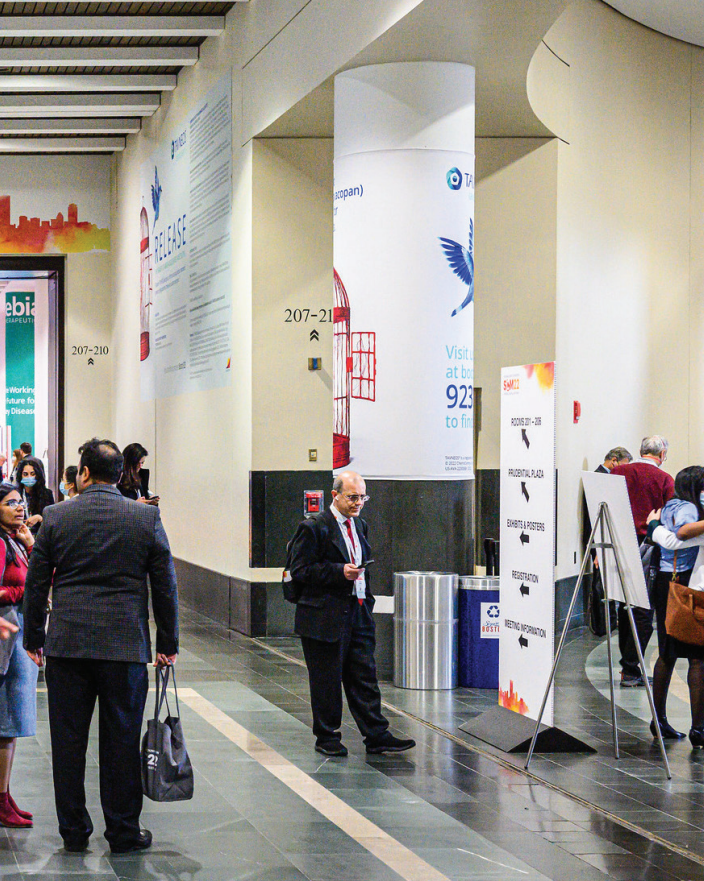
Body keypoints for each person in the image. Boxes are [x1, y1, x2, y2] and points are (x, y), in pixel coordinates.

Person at [23, 438, 179, 854]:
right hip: (124, 647)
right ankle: (123, 831)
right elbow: (165, 585)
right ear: (120, 473)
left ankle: (73, 831)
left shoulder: (56, 516)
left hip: (68, 646)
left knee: (68, 743)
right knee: (122, 740)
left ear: (85, 473)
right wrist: (167, 642)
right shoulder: (145, 517)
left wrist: (34, 637)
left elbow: (37, 583)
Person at [288, 470, 415, 757]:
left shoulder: (360, 526)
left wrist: (366, 603)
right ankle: (327, 737)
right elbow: (300, 570)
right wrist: (338, 571)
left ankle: (377, 735)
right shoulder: (314, 528)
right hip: (323, 616)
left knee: (364, 675)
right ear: (335, 495)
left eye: (362, 498)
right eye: (352, 497)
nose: (358, 503)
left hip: (357, 612)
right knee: (326, 679)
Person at [644, 467, 704, 741]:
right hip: (683, 584)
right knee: (697, 656)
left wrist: (654, 526)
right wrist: (656, 529)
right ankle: (698, 728)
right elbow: (676, 538)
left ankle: (658, 720)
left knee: (666, 653)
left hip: (665, 582)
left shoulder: (670, 505)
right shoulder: (690, 510)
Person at [611, 436, 674, 686]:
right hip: (649, 546)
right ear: (662, 454)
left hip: (618, 543)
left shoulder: (619, 473)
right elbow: (668, 516)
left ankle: (627, 667)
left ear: (640, 450)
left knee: (624, 605)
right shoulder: (664, 479)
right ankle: (630, 668)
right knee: (644, 609)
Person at [0, 483, 37, 828]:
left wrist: (31, 544)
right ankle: (1, 800)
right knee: (6, 723)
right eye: (10, 503)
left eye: (20, 502)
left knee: (10, 722)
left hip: (18, 634)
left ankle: (5, 793)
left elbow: (44, 576)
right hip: (6, 638)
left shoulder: (15, 540)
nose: (19, 507)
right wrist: (21, 591)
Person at [585, 447, 632, 636]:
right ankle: (602, 624)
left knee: (607, 582)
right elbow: (594, 516)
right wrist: (597, 549)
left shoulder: (606, 478)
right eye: (624, 465)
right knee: (601, 583)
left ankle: (610, 621)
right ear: (614, 460)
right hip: (600, 540)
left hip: (606, 538)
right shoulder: (598, 479)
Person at [15, 457, 54, 534]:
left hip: (40, 535)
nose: (29, 477)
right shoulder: (16, 494)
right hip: (20, 534)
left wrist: (40, 518)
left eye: (32, 474)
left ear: (37, 475)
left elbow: (52, 520)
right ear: (21, 475)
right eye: (25, 474)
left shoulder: (47, 494)